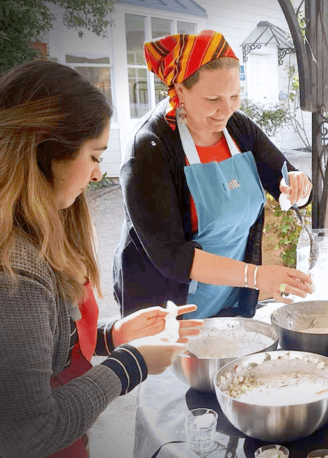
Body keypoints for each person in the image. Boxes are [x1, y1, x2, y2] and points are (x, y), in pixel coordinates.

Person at [0, 61, 202, 458]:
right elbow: (31, 431)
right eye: (94, 156)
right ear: (46, 152)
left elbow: (44, 344)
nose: (97, 175)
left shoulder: (41, 229)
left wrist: (114, 336)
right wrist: (132, 363)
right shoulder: (15, 274)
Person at [113, 30, 314, 319]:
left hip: (229, 297)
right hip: (165, 311)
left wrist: (299, 186)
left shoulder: (239, 129)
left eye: (235, 95)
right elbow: (172, 258)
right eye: (212, 99)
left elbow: (286, 178)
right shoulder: (149, 149)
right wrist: (257, 276)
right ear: (180, 90)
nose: (226, 109)